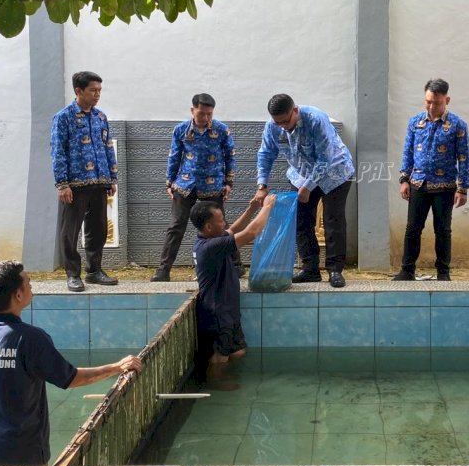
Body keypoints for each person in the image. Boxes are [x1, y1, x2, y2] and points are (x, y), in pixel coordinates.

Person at [0, 260, 143, 466]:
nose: (31, 284)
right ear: (18, 294)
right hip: (20, 446)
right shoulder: (30, 338)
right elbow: (71, 378)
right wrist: (116, 367)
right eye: (28, 282)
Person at [254, 94, 355, 288]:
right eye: (278, 122)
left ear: (295, 110)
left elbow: (325, 158)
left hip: (335, 172)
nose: (283, 126)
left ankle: (335, 270)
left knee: (333, 220)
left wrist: (308, 187)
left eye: (286, 121)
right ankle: (310, 269)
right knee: (301, 221)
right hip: (301, 173)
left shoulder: (316, 119)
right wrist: (262, 185)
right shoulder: (272, 126)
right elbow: (265, 154)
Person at [151, 93, 239, 282]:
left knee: (220, 226)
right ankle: (163, 270)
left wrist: (229, 183)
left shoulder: (222, 130)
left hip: (213, 185)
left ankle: (236, 266)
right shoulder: (181, 130)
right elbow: (174, 156)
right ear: (193, 111)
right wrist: (170, 182)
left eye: (209, 114)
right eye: (202, 114)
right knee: (176, 226)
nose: (206, 118)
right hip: (185, 184)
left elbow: (230, 157)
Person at [192, 195, 276, 384]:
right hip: (218, 313)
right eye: (220, 221)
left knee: (238, 352)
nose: (225, 224)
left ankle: (226, 375)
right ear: (208, 227)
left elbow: (233, 230)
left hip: (229, 310)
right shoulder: (210, 247)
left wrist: (251, 209)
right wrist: (268, 206)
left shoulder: (210, 239)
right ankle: (216, 383)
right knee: (220, 356)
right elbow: (250, 233)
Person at [393, 79, 469, 282]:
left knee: (443, 230)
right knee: (412, 229)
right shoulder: (415, 122)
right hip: (417, 183)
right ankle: (407, 269)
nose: (432, 106)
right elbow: (407, 152)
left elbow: (464, 158)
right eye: (428, 101)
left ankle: (443, 272)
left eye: (436, 102)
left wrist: (462, 189)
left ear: (447, 100)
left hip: (445, 187)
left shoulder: (458, 125)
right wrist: (404, 179)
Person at [50, 71, 119, 293]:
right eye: (93, 90)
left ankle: (94, 271)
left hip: (100, 181)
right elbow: (57, 151)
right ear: (78, 91)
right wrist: (62, 184)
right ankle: (72, 274)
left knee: (98, 229)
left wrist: (112, 177)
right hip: (75, 185)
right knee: (69, 231)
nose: (97, 94)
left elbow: (108, 147)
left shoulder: (100, 117)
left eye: (99, 90)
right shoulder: (64, 117)